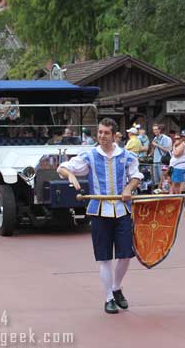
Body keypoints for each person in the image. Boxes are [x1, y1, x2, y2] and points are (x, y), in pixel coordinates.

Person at [57, 118, 142, 314]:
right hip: (99, 210)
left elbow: (136, 176)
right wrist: (71, 176)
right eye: (100, 132)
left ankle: (116, 287)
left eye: (106, 133)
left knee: (125, 255)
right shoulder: (89, 156)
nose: (102, 136)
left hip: (122, 210)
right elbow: (63, 167)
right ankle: (108, 298)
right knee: (103, 257)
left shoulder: (127, 156)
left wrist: (129, 188)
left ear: (114, 135)